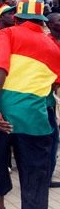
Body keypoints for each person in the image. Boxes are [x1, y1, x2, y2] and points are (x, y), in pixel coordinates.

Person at [0, 0, 60, 209]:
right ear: (41, 20)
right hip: (35, 121)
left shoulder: (8, 33)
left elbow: (1, 66)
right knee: (35, 179)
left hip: (1, 117)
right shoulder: (53, 46)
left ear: (17, 17)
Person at [46, 12, 60, 187]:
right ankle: (46, 176)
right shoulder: (47, 43)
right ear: (50, 25)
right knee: (52, 136)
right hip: (49, 95)